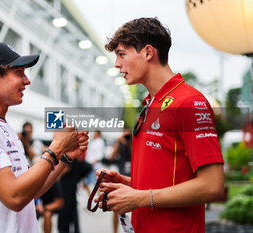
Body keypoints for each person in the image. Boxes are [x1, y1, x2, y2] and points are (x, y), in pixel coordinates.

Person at [96, 18, 225, 233]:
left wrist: (140, 197)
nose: (117, 64)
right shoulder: (151, 103)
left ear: (148, 53)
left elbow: (212, 186)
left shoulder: (190, 103)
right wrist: (129, 184)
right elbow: (168, 179)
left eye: (121, 54)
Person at [0, 42, 89, 233]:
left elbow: (31, 191)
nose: (27, 80)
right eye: (19, 73)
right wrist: (55, 149)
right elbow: (14, 197)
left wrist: (65, 157)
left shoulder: (2, 126)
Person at [108, 128, 132, 233]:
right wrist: (118, 142)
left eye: (128, 135)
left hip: (133, 179)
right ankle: (115, 231)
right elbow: (111, 158)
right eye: (125, 135)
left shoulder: (133, 145)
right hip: (121, 178)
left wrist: (130, 142)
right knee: (116, 208)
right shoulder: (120, 145)